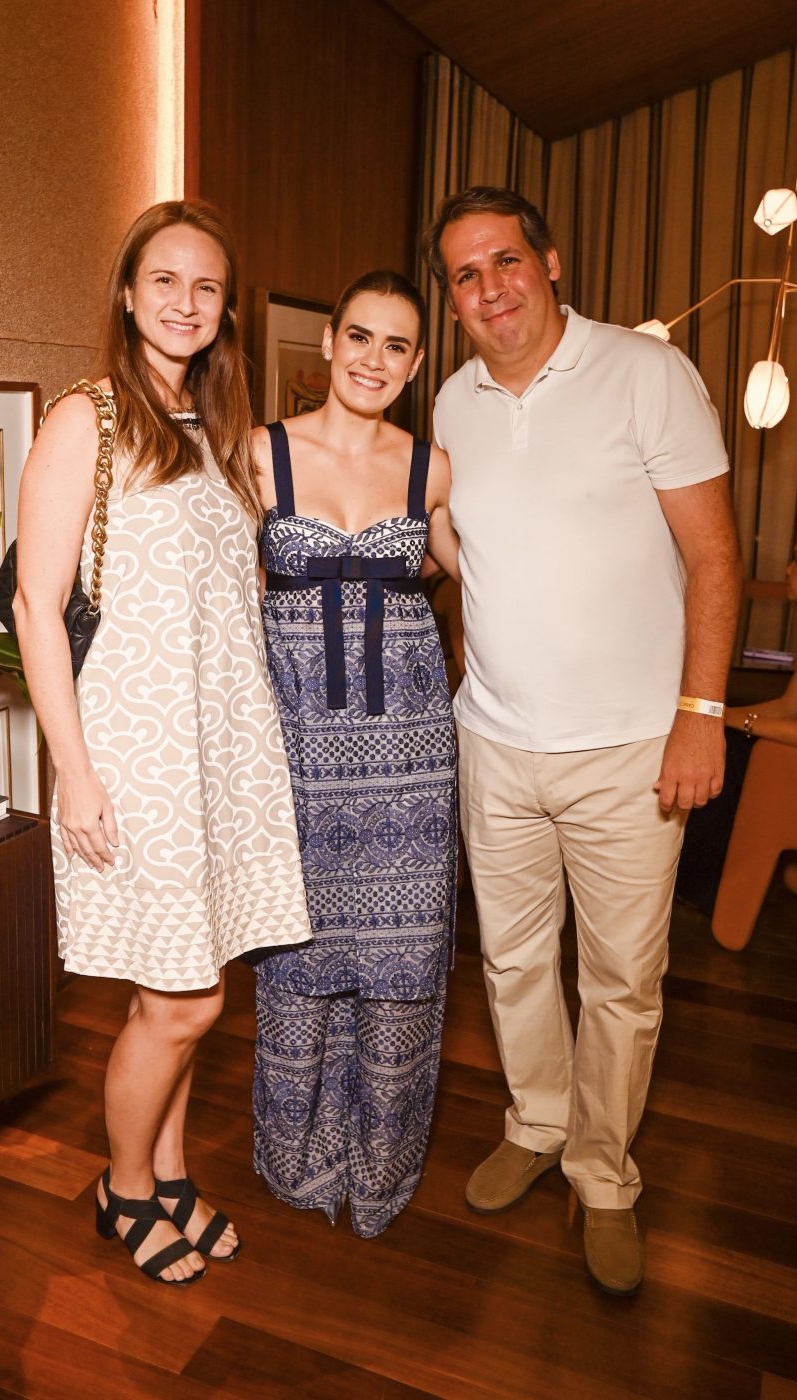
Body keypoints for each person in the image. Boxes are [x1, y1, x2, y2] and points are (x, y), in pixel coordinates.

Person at [422, 186, 742, 1294]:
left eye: (503, 259)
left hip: (630, 750)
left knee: (621, 978)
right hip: (496, 740)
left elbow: (714, 557)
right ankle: (537, 1120)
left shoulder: (645, 373)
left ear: (549, 261)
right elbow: (456, 534)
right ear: (451, 298)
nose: (488, 287)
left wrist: (698, 716)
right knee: (512, 960)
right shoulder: (453, 401)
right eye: (463, 274)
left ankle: (604, 1173)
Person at [13, 200, 311, 1285]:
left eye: (207, 286)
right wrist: (75, 771)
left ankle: (172, 1171)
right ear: (128, 293)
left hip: (220, 754)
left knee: (185, 982)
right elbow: (36, 606)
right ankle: (123, 1185)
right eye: (165, 280)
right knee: (184, 999)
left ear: (225, 309)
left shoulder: (221, 432)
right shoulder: (83, 419)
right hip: (132, 757)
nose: (186, 302)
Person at [251, 269, 459, 1238]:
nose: (375, 359)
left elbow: (495, 580)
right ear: (329, 342)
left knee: (403, 952)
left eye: (398, 345)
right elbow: (220, 596)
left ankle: (379, 1163)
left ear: (417, 363)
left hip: (409, 748)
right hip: (295, 740)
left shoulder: (432, 468)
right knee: (299, 946)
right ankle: (298, 1155)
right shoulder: (259, 454)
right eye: (361, 337)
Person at [677, 518, 797, 915]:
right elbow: (787, 706)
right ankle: (705, 881)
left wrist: (722, 723)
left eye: (796, 559)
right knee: (727, 740)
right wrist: (717, 714)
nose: (786, 569)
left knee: (731, 755)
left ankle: (703, 884)